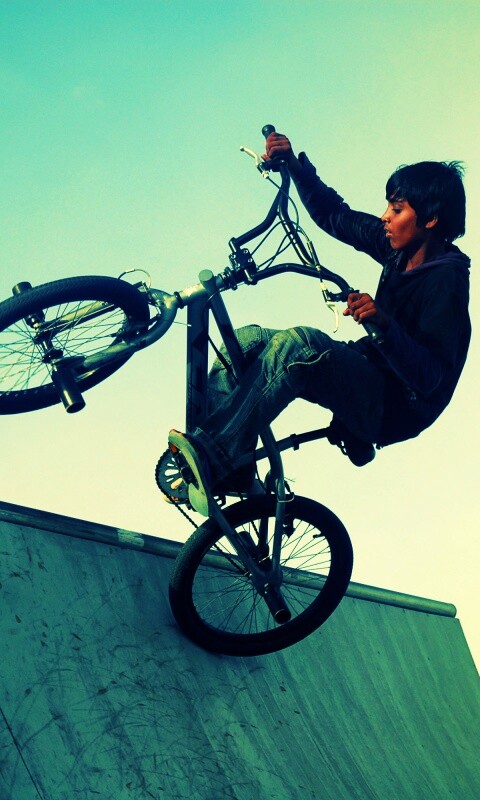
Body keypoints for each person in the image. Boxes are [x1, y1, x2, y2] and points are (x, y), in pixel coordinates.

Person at [168, 131, 470, 516]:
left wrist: (384, 324)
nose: (384, 217)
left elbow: (431, 377)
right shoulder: (397, 250)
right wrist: (295, 167)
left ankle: (217, 457)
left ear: (430, 219)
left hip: (397, 406)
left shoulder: (446, 283)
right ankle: (232, 464)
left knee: (302, 346)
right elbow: (334, 215)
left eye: (396, 210)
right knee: (245, 341)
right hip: (371, 370)